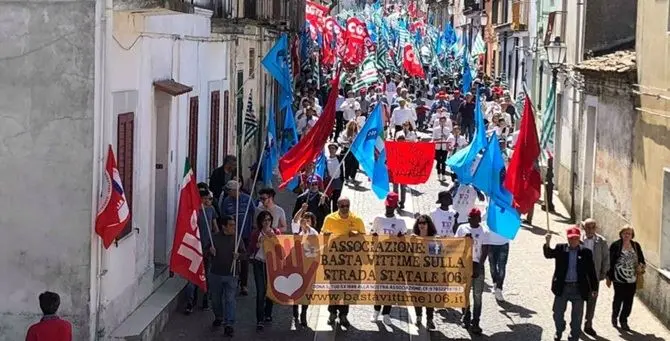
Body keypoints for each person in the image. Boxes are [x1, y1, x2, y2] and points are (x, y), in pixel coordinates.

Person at [544, 226, 598, 341]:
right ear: (567, 239)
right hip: (562, 288)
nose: (573, 241)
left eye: (575, 238)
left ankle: (574, 337)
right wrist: (547, 243)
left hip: (578, 289)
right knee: (557, 314)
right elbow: (548, 254)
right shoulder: (560, 248)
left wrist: (594, 289)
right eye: (571, 238)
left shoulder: (586, 252)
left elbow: (591, 272)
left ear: (579, 239)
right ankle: (559, 329)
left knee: (577, 318)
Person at [321, 197, 365, 327]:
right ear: (337, 206)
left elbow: (364, 239)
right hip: (334, 261)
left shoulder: (357, 220)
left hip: (350, 262)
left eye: (347, 205)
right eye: (342, 206)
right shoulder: (329, 219)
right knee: (333, 288)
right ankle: (332, 312)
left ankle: (344, 315)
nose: (345, 208)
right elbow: (322, 236)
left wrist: (357, 235)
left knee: (347, 289)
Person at [370, 193, 407, 324]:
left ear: (395, 206)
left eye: (391, 207)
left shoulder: (400, 222)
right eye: (387, 206)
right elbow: (373, 235)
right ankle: (376, 310)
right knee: (379, 285)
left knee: (391, 285)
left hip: (394, 259)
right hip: (380, 257)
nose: (389, 209)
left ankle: (386, 312)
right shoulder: (378, 219)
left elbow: (403, 240)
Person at [454, 208, 490, 335]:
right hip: (464, 265)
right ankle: (466, 315)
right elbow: (455, 245)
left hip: (477, 265)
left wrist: (479, 266)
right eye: (469, 217)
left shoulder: (484, 231)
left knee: (477, 296)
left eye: (473, 217)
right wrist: (465, 241)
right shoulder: (462, 229)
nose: (470, 219)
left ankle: (476, 321)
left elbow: (485, 251)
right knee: (464, 293)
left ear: (479, 219)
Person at [209, 215, 245, 337]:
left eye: (234, 225)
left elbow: (245, 254)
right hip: (216, 273)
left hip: (232, 274)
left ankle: (229, 324)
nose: (233, 227)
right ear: (223, 226)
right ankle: (219, 316)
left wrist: (238, 256)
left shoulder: (237, 238)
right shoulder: (214, 238)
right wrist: (210, 251)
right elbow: (204, 253)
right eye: (231, 225)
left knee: (230, 299)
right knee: (216, 299)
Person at [185, 189, 219, 314]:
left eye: (210, 199)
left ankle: (205, 299)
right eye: (207, 198)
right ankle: (190, 301)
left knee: (207, 275)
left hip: (207, 248)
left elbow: (215, 228)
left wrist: (214, 243)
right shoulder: (195, 211)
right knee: (192, 276)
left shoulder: (211, 210)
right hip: (195, 247)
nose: (209, 201)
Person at [220, 180, 256, 296]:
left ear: (235, 190)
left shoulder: (247, 199)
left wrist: (253, 228)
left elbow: (253, 213)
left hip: (245, 233)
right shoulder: (226, 201)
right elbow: (223, 216)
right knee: (230, 256)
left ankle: (244, 285)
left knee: (244, 258)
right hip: (231, 235)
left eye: (229, 191)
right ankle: (230, 279)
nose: (228, 193)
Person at [607, 225, 646, 331]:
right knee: (618, 299)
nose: (627, 235)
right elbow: (610, 262)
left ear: (632, 235)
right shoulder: (615, 245)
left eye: (629, 233)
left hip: (632, 279)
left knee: (629, 301)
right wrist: (609, 277)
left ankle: (623, 320)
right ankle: (614, 316)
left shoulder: (636, 246)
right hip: (618, 278)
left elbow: (642, 259)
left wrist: (641, 266)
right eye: (625, 233)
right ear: (621, 234)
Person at [248, 211, 281, 331]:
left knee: (270, 290)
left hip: (271, 264)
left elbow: (280, 249)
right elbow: (250, 249)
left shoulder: (276, 232)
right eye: (264, 220)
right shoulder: (256, 233)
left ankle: (268, 313)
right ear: (260, 222)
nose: (267, 222)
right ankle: (259, 319)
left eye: (269, 220)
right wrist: (257, 244)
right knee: (260, 291)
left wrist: (273, 238)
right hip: (259, 263)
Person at [580, 218, 609, 336]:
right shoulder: (579, 239)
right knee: (579, 302)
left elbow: (606, 258)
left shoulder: (601, 241)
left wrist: (603, 274)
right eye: (588, 227)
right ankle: (577, 324)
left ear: (596, 228)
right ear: (584, 228)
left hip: (594, 278)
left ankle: (588, 325)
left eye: (593, 227)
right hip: (581, 277)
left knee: (592, 302)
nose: (590, 230)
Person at [291, 208, 319, 326]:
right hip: (296, 265)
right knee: (296, 289)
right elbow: (294, 220)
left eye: (309, 220)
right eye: (304, 219)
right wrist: (302, 209)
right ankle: (295, 313)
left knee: (307, 291)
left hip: (309, 266)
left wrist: (306, 227)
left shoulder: (314, 233)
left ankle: (304, 313)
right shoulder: (298, 230)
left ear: (312, 222)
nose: (306, 221)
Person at [412, 215, 437, 330]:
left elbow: (436, 256)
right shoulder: (413, 238)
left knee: (429, 296)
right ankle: (418, 316)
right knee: (416, 295)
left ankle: (429, 319)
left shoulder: (433, 239)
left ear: (428, 224)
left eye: (424, 223)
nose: (421, 225)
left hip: (429, 273)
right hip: (416, 272)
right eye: (420, 223)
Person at [485, 229, 510, 302]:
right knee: (492, 266)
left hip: (504, 243)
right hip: (491, 244)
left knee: (502, 267)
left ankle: (499, 289)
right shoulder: (489, 216)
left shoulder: (508, 216)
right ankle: (495, 283)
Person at [324, 143, 345, 212]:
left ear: (336, 150)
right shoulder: (326, 159)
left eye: (333, 148)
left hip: (338, 181)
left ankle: (335, 212)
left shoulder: (339, 158)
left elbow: (345, 153)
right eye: (330, 148)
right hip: (329, 181)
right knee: (329, 198)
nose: (331, 150)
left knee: (336, 199)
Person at [433, 116, 451, 181]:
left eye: (444, 121)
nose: (442, 122)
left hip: (444, 147)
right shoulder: (435, 129)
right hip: (437, 147)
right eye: (441, 121)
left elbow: (449, 138)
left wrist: (445, 136)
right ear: (439, 121)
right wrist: (439, 138)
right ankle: (438, 174)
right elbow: (434, 139)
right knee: (438, 161)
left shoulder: (447, 129)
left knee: (443, 161)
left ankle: (443, 175)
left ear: (445, 122)